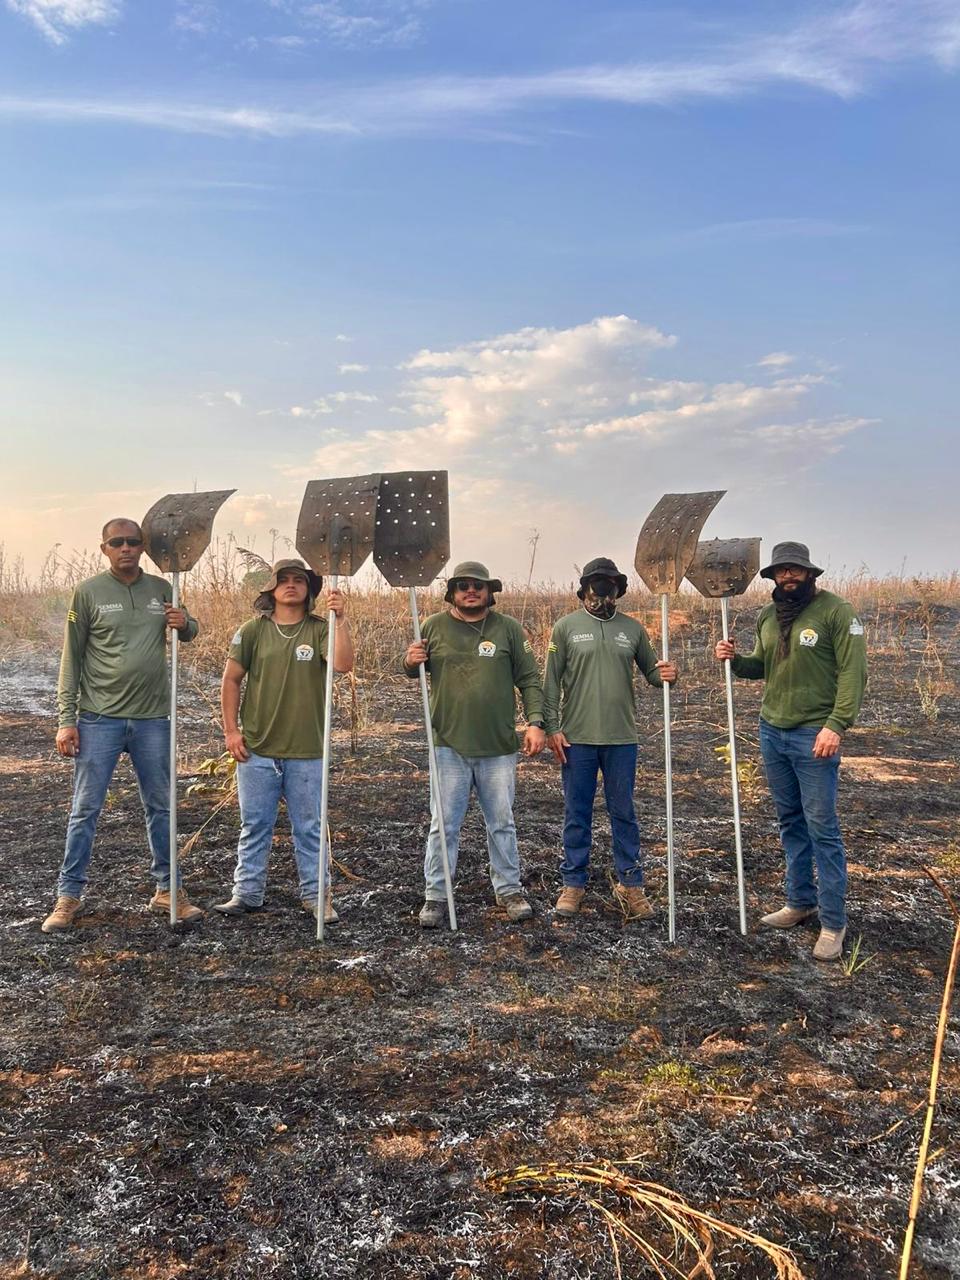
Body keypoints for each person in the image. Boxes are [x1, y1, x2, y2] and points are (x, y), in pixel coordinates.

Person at [43, 518, 202, 932]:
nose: (127, 548)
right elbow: (71, 658)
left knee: (162, 807)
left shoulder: (162, 589)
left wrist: (183, 623)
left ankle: (169, 890)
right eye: (118, 542)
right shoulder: (89, 592)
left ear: (143, 547)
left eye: (134, 542)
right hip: (99, 719)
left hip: (153, 719)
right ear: (104, 548)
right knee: (85, 809)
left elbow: (190, 631)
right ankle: (68, 895)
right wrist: (66, 721)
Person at [715, 541, 867, 961]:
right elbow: (762, 667)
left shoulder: (838, 612)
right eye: (781, 571)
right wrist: (733, 659)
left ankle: (833, 923)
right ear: (773, 577)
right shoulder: (768, 615)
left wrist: (836, 725)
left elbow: (854, 672)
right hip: (772, 731)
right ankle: (800, 902)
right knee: (790, 822)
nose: (789, 577)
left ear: (811, 574)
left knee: (823, 828)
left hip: (813, 734)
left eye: (796, 570)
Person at [404, 561, 545, 928]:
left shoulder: (509, 629)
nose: (471, 590)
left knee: (501, 821)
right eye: (463, 585)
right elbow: (412, 667)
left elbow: (529, 679)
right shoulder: (432, 626)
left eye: (478, 585)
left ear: (489, 592)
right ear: (452, 592)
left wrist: (535, 723)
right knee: (444, 824)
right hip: (447, 743)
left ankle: (509, 890)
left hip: (498, 746)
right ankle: (436, 895)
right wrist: (410, 659)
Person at [213, 560, 353, 923]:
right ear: (271, 589)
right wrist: (231, 731)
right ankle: (247, 893)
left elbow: (342, 664)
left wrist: (343, 620)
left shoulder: (321, 629)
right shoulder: (253, 631)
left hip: (307, 749)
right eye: (284, 580)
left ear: (309, 590)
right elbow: (231, 680)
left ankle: (316, 896)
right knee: (254, 824)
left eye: (299, 581)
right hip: (257, 748)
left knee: (308, 825)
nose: (291, 586)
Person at [542, 557, 677, 921]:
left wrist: (667, 673)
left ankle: (631, 884)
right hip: (577, 738)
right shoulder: (565, 628)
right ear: (584, 588)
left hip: (621, 738)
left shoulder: (631, 629)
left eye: (610, 584)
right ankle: (573, 883)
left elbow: (652, 672)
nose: (603, 590)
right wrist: (552, 726)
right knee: (577, 812)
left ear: (619, 589)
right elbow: (551, 681)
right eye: (596, 583)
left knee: (623, 812)